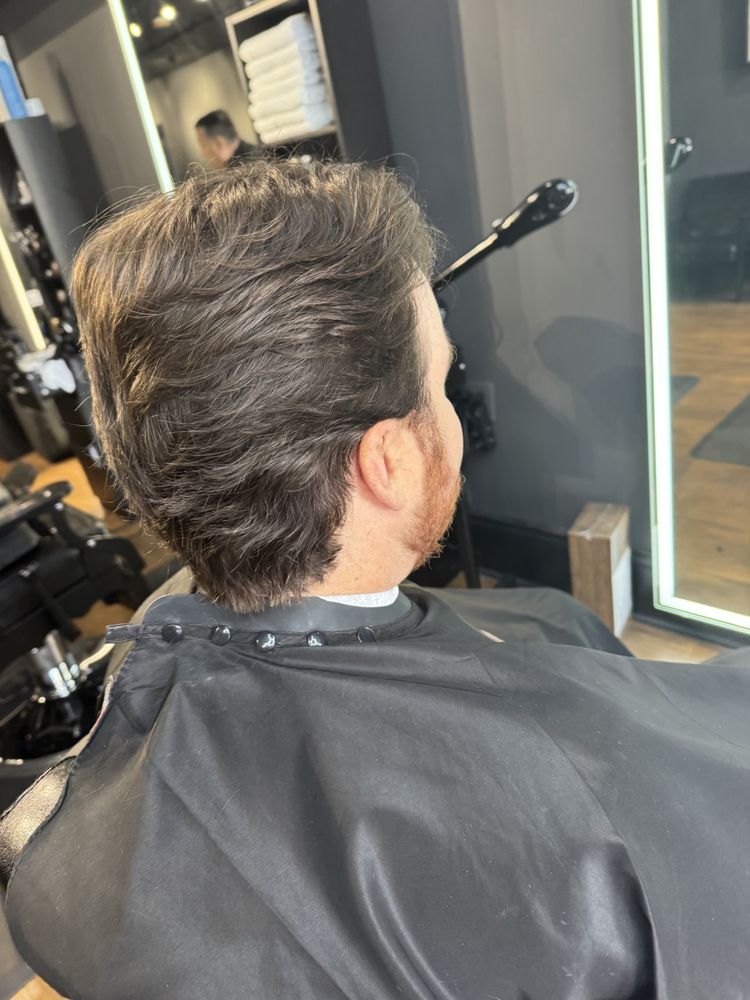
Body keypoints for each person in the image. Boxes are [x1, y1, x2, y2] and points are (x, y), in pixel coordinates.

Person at [1, 161, 748, 1000]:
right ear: (386, 461)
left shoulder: (156, 643)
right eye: (440, 384)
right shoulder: (564, 704)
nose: (452, 413)